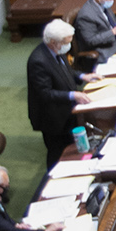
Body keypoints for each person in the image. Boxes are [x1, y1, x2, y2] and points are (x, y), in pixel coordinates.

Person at [27, 19, 87, 168]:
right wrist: (73, 95)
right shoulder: (38, 61)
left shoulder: (56, 50)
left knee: (70, 145)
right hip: (52, 117)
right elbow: (45, 94)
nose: (69, 46)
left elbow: (64, 72)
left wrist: (81, 76)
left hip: (66, 110)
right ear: (54, 42)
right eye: (67, 42)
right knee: (57, 153)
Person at [72, 0, 116, 72]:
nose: (111, 1)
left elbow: (108, 20)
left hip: (115, 41)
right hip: (105, 50)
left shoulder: (102, 4)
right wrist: (113, 32)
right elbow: (91, 40)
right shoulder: (86, 15)